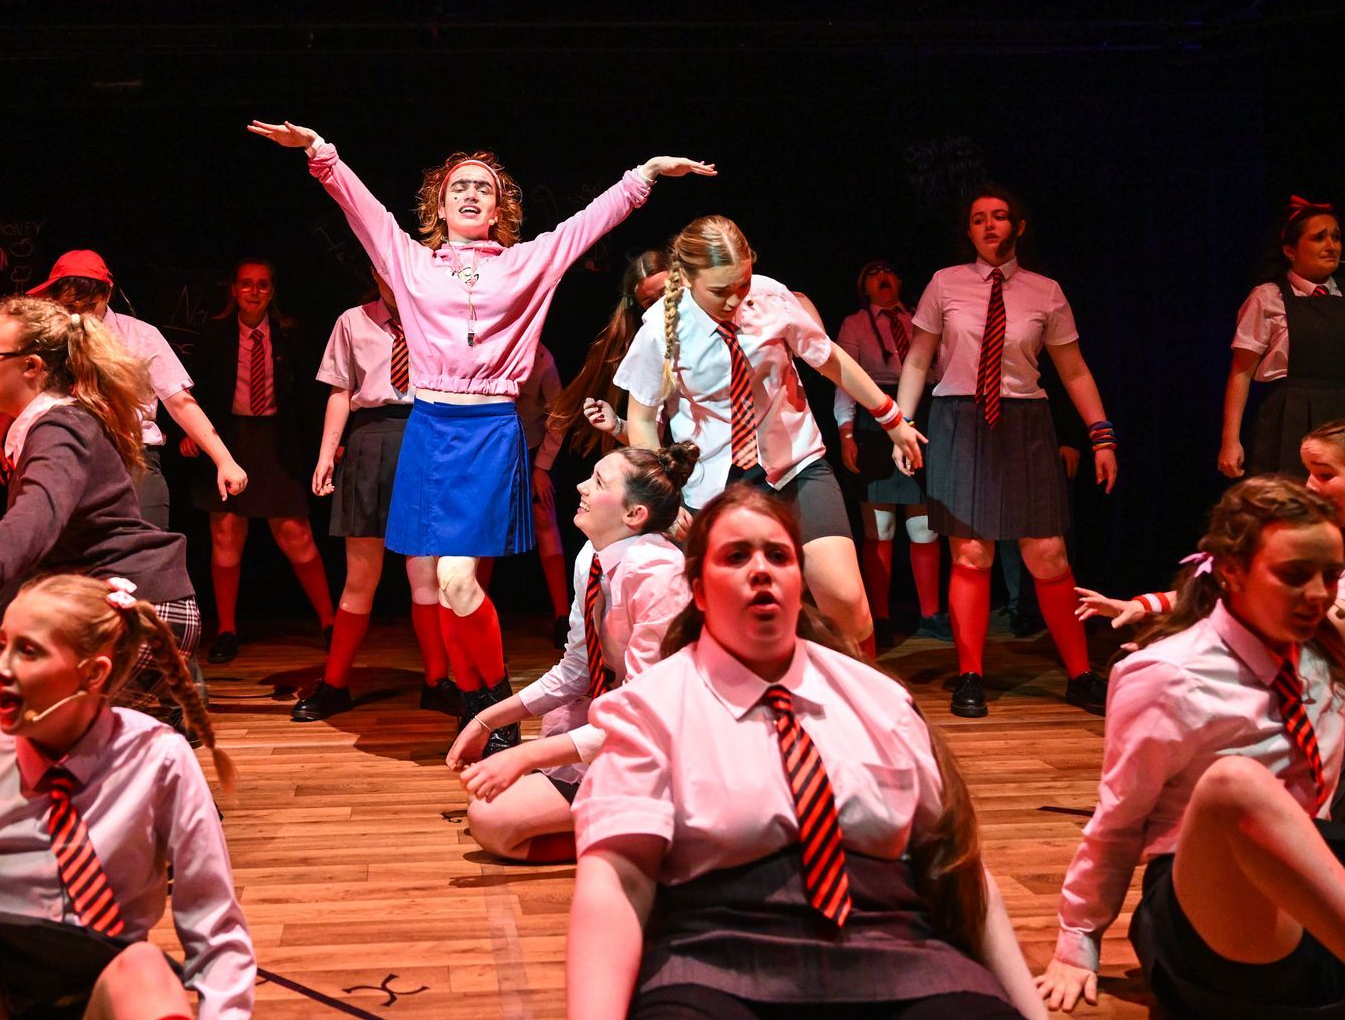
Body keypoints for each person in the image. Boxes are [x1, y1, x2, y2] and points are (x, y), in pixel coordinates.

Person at [250, 119, 713, 746]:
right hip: (428, 430)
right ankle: (476, 700)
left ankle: (494, 707)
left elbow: (589, 223)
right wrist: (318, 152)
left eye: (484, 188)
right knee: (444, 588)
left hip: (489, 430)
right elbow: (361, 210)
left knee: (458, 580)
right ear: (439, 208)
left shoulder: (526, 263)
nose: (471, 194)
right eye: (459, 188)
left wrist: (645, 176)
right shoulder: (411, 262)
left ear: (499, 210)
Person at [566, 485, 1046, 1020]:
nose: (761, 570)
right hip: (720, 959)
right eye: (736, 556)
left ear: (800, 582)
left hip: (896, 950)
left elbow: (958, 868)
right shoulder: (651, 706)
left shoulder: (877, 697)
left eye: (778, 556)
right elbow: (616, 882)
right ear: (698, 590)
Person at [0, 573, 254, 1020]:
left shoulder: (159, 758)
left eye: (28, 651)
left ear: (93, 673)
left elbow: (214, 925)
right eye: (1, 645)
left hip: (102, 991)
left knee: (145, 965)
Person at [1038, 476, 1345, 1019]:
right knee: (1236, 785)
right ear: (1231, 570)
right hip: (1212, 912)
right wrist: (1076, 939)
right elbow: (1119, 818)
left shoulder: (1324, 651)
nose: (1319, 594)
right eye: (1295, 575)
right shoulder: (1168, 675)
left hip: (1318, 900)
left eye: (1332, 576)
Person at [615, 215, 924, 655]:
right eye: (720, 290)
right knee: (732, 619)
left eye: (741, 284)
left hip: (796, 465)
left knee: (848, 603)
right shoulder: (660, 329)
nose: (734, 299)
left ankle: (861, 694)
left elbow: (829, 359)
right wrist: (664, 498)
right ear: (687, 278)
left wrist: (891, 419)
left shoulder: (770, 297)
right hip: (715, 484)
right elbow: (643, 420)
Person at [0, 297, 202, 727]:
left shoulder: (60, 429)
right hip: (118, 607)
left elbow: (36, 516)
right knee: (1, 738)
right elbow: (34, 558)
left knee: (15, 742)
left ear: (31, 366)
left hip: (136, 607)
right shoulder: (53, 424)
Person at [895, 189, 1117, 719]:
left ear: (1018, 225)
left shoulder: (1045, 291)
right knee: (971, 554)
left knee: (1048, 554)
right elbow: (919, 359)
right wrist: (900, 423)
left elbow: (1073, 370)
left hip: (1024, 422)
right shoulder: (945, 283)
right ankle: (970, 674)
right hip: (959, 419)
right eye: (978, 219)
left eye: (999, 217)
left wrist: (1101, 434)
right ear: (968, 230)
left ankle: (1080, 675)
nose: (989, 225)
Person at [445, 443, 693, 864]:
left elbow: (644, 717)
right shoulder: (593, 556)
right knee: (489, 804)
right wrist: (487, 719)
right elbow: (577, 669)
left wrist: (523, 754)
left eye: (598, 482)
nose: (580, 486)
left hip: (666, 741)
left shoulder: (659, 578)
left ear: (635, 514)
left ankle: (668, 834)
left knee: (492, 820)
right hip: (615, 719)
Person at [0, 249, 247, 526]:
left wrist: (224, 459)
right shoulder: (47, 342)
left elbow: (180, 402)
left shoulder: (140, 336)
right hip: (63, 457)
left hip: (131, 460)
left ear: (106, 294)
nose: (79, 314)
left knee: (141, 566)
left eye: (88, 305)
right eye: (69, 306)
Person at [293, 271, 459, 722]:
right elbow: (340, 391)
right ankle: (335, 684)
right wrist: (326, 455)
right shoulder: (353, 321)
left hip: (425, 436)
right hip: (369, 439)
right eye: (383, 270)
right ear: (373, 272)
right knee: (361, 575)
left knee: (425, 575)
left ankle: (436, 681)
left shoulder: (438, 316)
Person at [182, 258, 333, 664]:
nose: (254, 291)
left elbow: (311, 393)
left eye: (262, 284)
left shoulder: (288, 334)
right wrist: (190, 434)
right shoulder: (215, 333)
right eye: (246, 284)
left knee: (296, 533)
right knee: (226, 534)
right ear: (233, 290)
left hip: (275, 441)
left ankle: (331, 622)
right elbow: (190, 389)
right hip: (227, 440)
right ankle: (227, 629)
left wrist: (330, 441)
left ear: (272, 291)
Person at [1077, 416, 1345, 632]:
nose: (1310, 485)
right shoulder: (1308, 532)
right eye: (1309, 472)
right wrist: (1142, 606)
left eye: (1324, 474)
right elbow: (1226, 588)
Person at [834, 259, 947, 642]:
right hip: (875, 420)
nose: (882, 277)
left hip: (922, 414)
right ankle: (879, 616)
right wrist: (846, 432)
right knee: (880, 527)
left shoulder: (921, 318)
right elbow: (844, 379)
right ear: (863, 286)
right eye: (872, 273)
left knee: (924, 526)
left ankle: (930, 614)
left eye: (889, 271)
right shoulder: (855, 323)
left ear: (900, 280)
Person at [1219, 197, 1344, 480]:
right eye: (1319, 238)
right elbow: (1241, 372)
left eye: (1336, 237)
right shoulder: (1269, 297)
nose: (1331, 246)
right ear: (1290, 250)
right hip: (1291, 418)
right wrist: (1230, 440)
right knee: (1292, 496)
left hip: (1341, 418)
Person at [553, 248, 672, 458]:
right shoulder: (651, 346)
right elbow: (651, 434)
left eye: (666, 293)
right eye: (651, 302)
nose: (662, 306)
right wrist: (616, 425)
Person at [517, 342, 573, 641]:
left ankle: (562, 616)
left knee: (544, 518)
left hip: (532, 447)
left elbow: (559, 416)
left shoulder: (541, 359)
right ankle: (472, 610)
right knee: (488, 527)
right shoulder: (489, 347)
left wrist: (541, 467)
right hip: (493, 449)